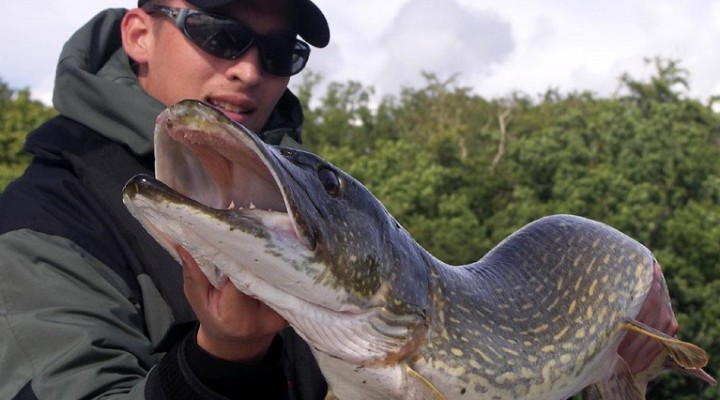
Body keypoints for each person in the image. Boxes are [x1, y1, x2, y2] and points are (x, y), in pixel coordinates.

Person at [0, 0, 681, 399]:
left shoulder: (306, 200)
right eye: (221, 33)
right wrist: (219, 358)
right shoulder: (40, 225)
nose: (248, 68)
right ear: (139, 33)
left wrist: (625, 307)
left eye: (279, 51)